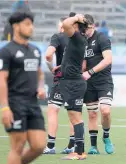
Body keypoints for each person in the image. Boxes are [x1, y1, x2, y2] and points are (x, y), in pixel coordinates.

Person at [0, 11, 46, 164]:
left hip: (33, 104)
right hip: (15, 104)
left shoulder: (35, 50)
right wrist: (4, 108)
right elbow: (1, 82)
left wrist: (40, 88)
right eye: (27, 24)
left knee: (40, 146)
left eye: (32, 24)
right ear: (16, 26)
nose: (31, 27)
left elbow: (40, 74)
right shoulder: (5, 52)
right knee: (17, 145)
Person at [81, 14, 114, 155]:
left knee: (105, 111)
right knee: (92, 114)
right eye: (82, 29)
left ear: (93, 26)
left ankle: (106, 136)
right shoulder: (81, 40)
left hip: (103, 81)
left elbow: (108, 59)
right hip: (89, 83)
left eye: (86, 28)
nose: (84, 31)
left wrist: (91, 71)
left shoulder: (102, 38)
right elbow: (81, 63)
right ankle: (93, 146)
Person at [59, 13, 89, 160]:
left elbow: (65, 24)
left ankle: (79, 152)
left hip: (74, 83)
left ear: (76, 26)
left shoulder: (77, 38)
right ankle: (79, 151)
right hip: (70, 82)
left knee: (76, 118)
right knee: (74, 117)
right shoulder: (78, 39)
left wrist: (76, 17)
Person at [43, 15, 75, 155]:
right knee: (73, 113)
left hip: (62, 78)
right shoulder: (80, 39)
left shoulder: (58, 37)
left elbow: (48, 55)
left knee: (53, 110)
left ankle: (50, 146)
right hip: (77, 79)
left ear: (62, 26)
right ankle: (72, 145)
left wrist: (52, 67)